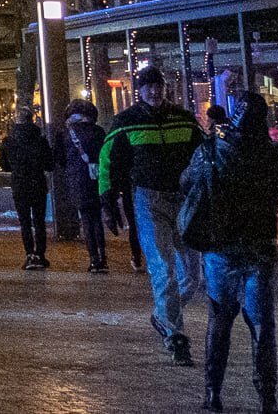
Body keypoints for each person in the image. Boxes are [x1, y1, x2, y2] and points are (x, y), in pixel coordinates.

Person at [101, 63, 204, 366]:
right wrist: (108, 203)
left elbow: (203, 156)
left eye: (158, 86)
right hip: (148, 200)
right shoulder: (126, 122)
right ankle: (175, 336)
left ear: (165, 88)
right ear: (140, 90)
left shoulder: (184, 120)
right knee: (163, 268)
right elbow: (108, 163)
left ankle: (162, 315)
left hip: (182, 201)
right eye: (148, 86)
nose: (154, 91)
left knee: (192, 275)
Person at [192, 90, 278, 413]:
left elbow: (187, 183)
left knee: (219, 319)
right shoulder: (273, 155)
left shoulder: (211, 150)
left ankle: (213, 394)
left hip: (221, 246)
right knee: (262, 325)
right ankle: (267, 398)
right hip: (259, 246)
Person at [0, 108, 56, 269]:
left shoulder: (9, 142)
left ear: (17, 121)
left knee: (24, 222)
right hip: (38, 184)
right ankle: (40, 254)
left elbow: (4, 166)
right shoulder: (40, 140)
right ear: (31, 120)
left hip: (19, 185)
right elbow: (49, 164)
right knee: (39, 221)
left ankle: (30, 254)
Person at [65, 100, 112, 274]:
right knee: (97, 218)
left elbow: (60, 159)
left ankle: (93, 259)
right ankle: (102, 257)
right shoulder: (98, 131)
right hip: (96, 178)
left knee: (86, 219)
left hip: (78, 180)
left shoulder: (67, 133)